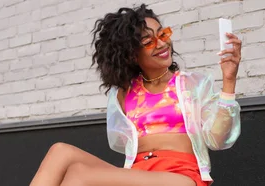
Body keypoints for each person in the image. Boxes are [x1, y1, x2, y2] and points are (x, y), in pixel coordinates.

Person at [29, 3, 242, 186]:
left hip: (181, 176)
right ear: (131, 55)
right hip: (139, 173)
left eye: (163, 34)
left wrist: (229, 82)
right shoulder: (124, 94)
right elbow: (120, 143)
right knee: (60, 152)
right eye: (148, 41)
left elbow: (218, 140)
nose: (161, 44)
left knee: (80, 176)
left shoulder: (192, 84)